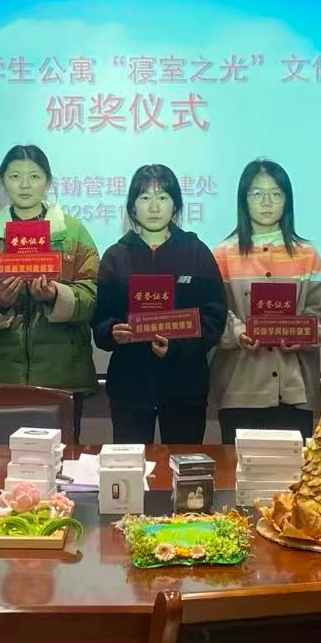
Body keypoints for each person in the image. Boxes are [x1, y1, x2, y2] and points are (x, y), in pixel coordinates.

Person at [93, 163, 228, 445]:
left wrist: (178, 346)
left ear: (175, 205)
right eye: (145, 197)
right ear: (132, 207)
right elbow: (100, 319)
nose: (154, 207)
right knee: (130, 466)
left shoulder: (196, 252)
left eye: (163, 197)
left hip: (186, 386)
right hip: (130, 387)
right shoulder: (115, 256)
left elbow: (214, 316)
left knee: (183, 464)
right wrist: (112, 332)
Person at [0, 145, 100, 438]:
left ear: (48, 182)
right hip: (3, 375)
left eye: (34, 176)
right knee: (5, 459)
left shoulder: (73, 232)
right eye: (15, 176)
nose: (24, 185)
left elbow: (93, 294)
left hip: (64, 376)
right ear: (2, 182)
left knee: (63, 459)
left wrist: (56, 296)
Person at [210, 158, 321, 440]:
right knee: (236, 466)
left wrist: (302, 334)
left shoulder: (308, 254)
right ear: (243, 199)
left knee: (293, 467)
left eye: (276, 193)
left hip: (295, 390)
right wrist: (240, 332)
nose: (266, 202)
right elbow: (215, 313)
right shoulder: (222, 254)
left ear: (287, 200)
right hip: (239, 387)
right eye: (257, 193)